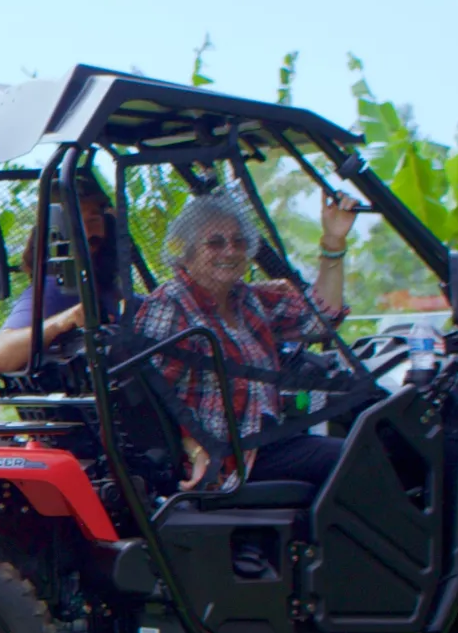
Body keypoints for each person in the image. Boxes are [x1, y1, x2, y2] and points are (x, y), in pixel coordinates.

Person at [130, 184, 356, 492]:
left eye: (238, 242)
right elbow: (150, 391)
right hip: (230, 456)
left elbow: (320, 319)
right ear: (187, 252)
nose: (230, 251)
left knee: (367, 441)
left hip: (269, 439)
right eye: (215, 243)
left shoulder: (246, 299)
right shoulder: (171, 303)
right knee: (353, 458)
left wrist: (333, 242)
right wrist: (196, 448)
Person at [0, 171, 124, 374]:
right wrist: (64, 320)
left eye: (94, 221)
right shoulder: (54, 287)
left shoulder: (100, 279)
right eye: (76, 226)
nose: (87, 234)